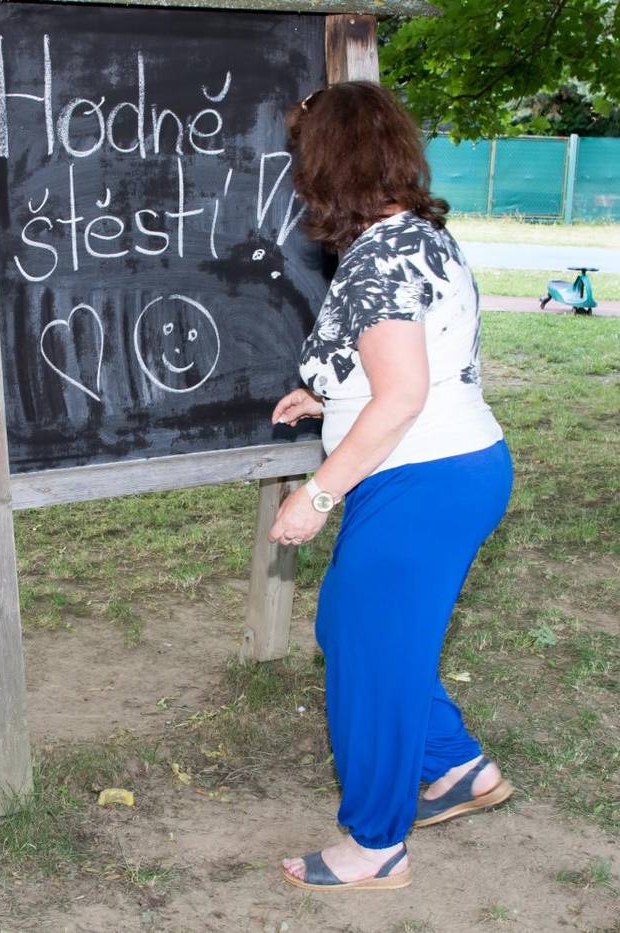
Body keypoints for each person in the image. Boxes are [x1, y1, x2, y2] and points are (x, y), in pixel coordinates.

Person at [268, 81, 515, 892]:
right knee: (353, 626)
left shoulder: (378, 258)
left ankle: (376, 844)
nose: (297, 172)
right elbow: (408, 361)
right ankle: (457, 768)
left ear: (328, 165)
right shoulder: (418, 235)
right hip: (454, 469)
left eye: (305, 157)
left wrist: (317, 495)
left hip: (422, 481)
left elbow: (404, 395)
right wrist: (328, 390)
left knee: (371, 654)